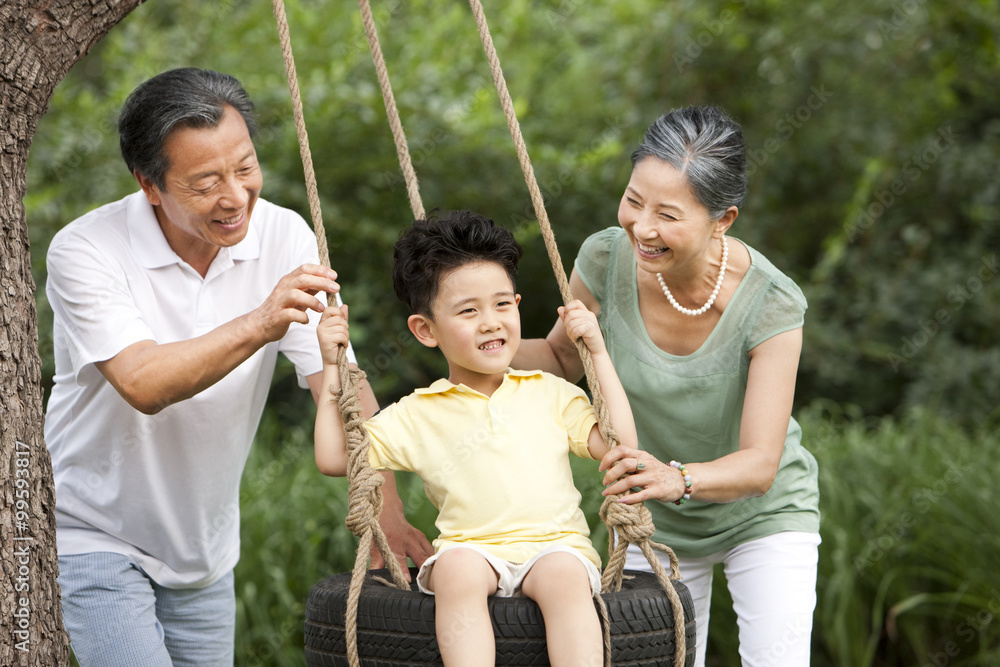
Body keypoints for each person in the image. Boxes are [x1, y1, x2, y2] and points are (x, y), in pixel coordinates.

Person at [45, 67, 432, 666]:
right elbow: (144, 383)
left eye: (245, 167)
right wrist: (261, 320)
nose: (235, 196)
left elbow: (339, 383)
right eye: (205, 183)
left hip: (205, 551)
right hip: (91, 532)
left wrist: (387, 511)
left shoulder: (282, 234)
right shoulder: (87, 249)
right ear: (150, 184)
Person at [513, 105, 821, 666]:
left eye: (668, 215)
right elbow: (558, 357)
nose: (642, 227)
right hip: (655, 518)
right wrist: (475, 340)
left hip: (763, 513)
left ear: (722, 219)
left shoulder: (772, 302)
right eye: (634, 201)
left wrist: (673, 476)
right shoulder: (605, 257)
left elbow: (759, 465)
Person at [314, 210, 638, 666]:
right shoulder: (418, 412)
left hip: (554, 545)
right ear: (425, 330)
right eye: (469, 311)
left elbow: (621, 443)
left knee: (565, 576)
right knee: (455, 570)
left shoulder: (550, 393)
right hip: (473, 550)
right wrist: (331, 367)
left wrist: (597, 354)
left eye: (503, 305)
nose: (491, 322)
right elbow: (333, 458)